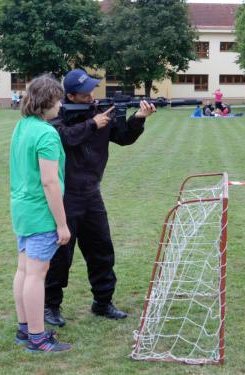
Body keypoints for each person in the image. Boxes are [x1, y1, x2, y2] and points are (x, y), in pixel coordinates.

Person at [43, 69, 156, 326]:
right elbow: (63, 138)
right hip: (65, 196)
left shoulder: (103, 110)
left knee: (101, 250)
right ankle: (50, 306)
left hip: (92, 193)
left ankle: (103, 302)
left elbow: (124, 138)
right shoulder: (58, 115)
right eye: (86, 93)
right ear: (70, 95)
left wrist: (138, 118)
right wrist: (93, 124)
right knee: (61, 255)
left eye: (93, 89)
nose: (92, 95)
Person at [10, 74, 71, 352]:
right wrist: (62, 224)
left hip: (22, 210)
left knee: (24, 270)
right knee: (36, 274)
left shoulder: (22, 126)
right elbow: (49, 182)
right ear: (47, 101)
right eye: (57, 100)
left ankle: (25, 330)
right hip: (39, 212)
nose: (60, 106)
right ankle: (37, 337)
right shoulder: (46, 133)